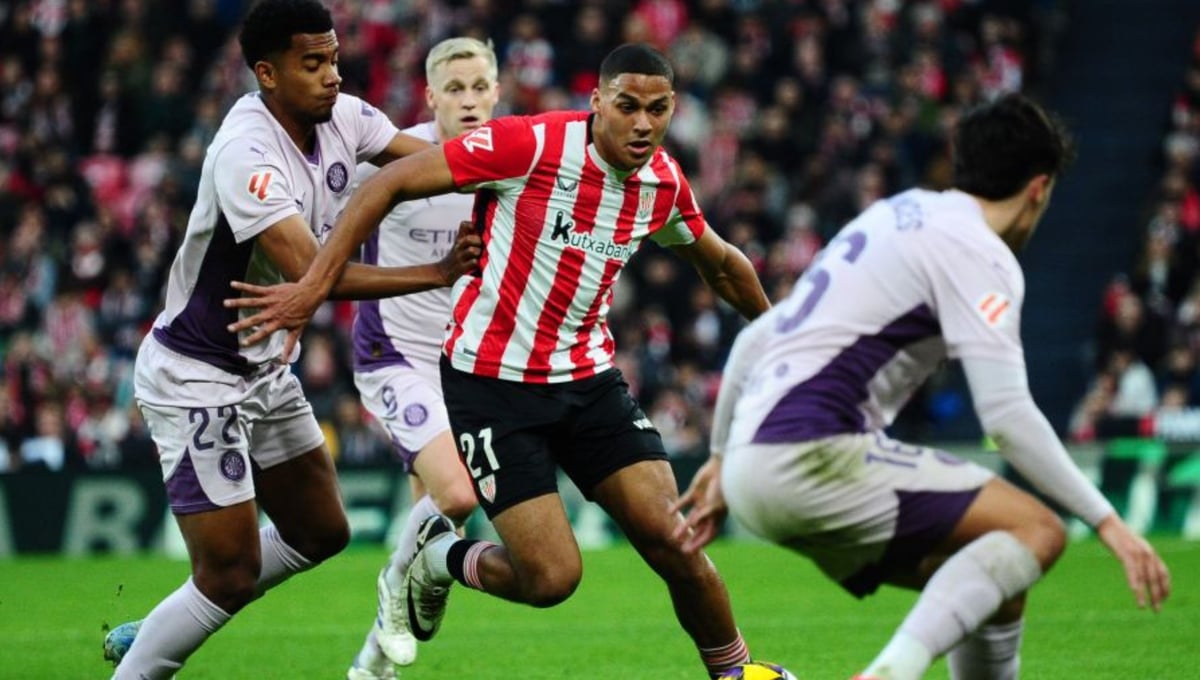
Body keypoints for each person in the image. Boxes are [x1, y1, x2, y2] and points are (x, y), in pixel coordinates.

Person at [227, 43, 773, 678]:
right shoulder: (530, 145)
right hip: (491, 386)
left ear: (674, 108)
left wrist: (784, 340)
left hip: (588, 381)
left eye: (657, 110)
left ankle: (737, 674)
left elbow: (722, 265)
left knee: (674, 539)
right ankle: (441, 561)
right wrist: (315, 286)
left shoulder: (662, 184)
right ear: (597, 102)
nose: (643, 124)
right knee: (552, 579)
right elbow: (389, 181)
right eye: (627, 106)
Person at [671, 93, 1172, 680]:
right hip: (814, 451)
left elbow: (755, 340)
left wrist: (721, 458)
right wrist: (1110, 523)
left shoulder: (893, 214)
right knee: (1037, 530)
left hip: (751, 465)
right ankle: (888, 674)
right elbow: (1006, 416)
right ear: (1039, 189)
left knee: (992, 581)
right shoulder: (980, 253)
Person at [101, 2, 481, 678]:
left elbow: (433, 163)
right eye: (313, 64)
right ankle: (152, 653)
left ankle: (165, 623)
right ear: (268, 74)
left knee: (321, 531)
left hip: (265, 368)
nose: (332, 75)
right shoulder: (244, 153)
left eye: (333, 59)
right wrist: (437, 272)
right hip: (198, 375)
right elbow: (314, 272)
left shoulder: (347, 117)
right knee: (227, 573)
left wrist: (528, 166)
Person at [345, 36, 500, 680]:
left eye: (480, 87)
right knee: (458, 494)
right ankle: (394, 592)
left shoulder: (511, 163)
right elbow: (326, 238)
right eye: (454, 89)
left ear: (497, 92)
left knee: (427, 533)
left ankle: (371, 665)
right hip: (393, 354)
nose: (469, 101)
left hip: (464, 364)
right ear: (430, 96)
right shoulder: (393, 162)